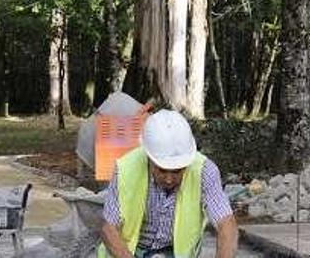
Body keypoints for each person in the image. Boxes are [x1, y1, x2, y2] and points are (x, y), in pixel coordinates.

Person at [99, 109, 238, 258]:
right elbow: (108, 228)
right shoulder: (125, 169)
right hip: (128, 252)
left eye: (177, 171)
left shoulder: (205, 172)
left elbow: (226, 225)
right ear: (148, 157)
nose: (169, 179)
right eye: (162, 170)